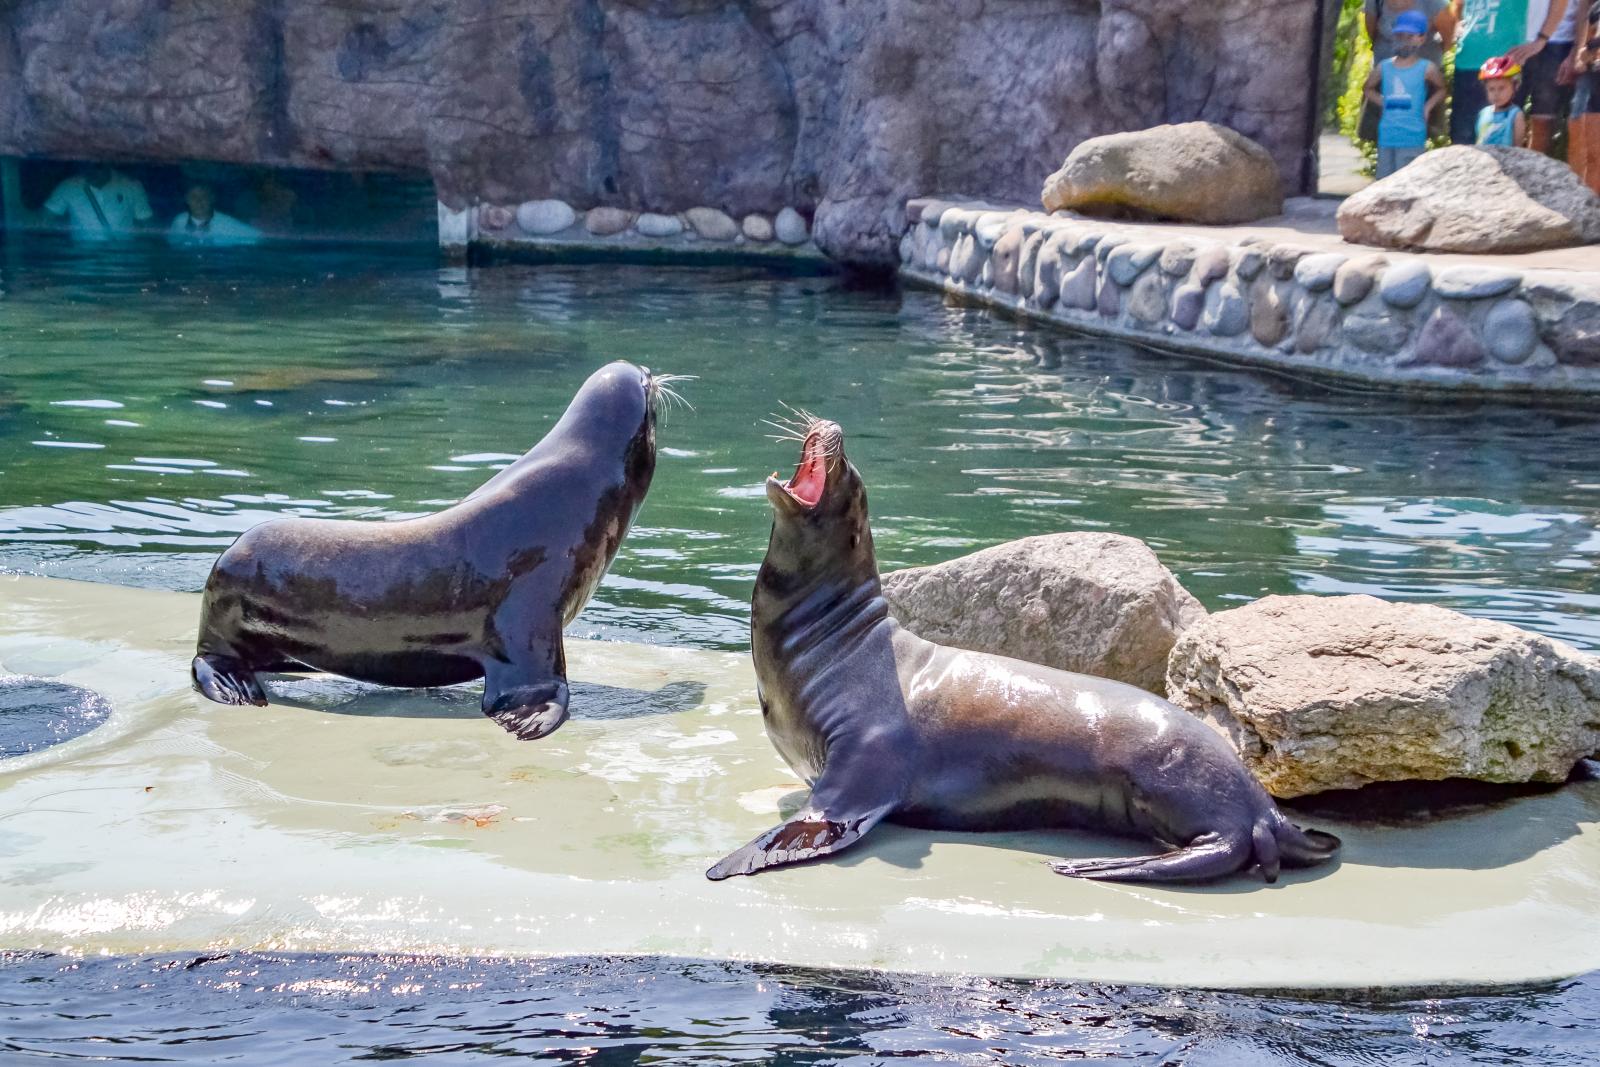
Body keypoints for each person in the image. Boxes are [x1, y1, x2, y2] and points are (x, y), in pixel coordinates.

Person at [1451, 0, 1569, 144]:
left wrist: (1542, 39)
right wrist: (1456, 23)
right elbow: (1457, 3)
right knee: (1461, 140)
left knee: (1500, 141)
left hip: (1504, 65)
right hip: (1467, 60)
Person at [1365, 10, 1449, 176]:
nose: (1404, 41)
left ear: (1422, 39)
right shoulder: (1384, 67)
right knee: (1383, 182)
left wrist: (1427, 107)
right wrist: (1383, 101)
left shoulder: (1427, 68)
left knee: (1408, 182)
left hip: (1413, 136)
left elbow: (1442, 89)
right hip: (1387, 136)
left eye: (1410, 36)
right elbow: (1367, 88)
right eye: (1400, 36)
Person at [1519, 0, 1580, 151]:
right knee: (1505, 117)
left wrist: (1575, 51)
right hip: (1517, 38)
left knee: (1543, 121)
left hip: (1557, 41)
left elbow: (1586, 7)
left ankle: (1534, 172)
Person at [41, 165, 153, 241]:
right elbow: (43, 221)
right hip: (81, 264)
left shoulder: (131, 185)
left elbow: (148, 225)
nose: (95, 164)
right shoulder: (68, 186)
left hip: (120, 264)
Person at [167, 184, 262, 246]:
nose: (199, 202)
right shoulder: (179, 221)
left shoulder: (227, 224)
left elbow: (260, 238)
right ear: (186, 200)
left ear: (212, 199)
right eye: (193, 197)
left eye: (204, 197)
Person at [1570, 0, 1600, 190]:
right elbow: (1582, 58)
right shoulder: (1596, 8)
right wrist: (1588, 51)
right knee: (1592, 155)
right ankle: (1591, 210)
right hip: (1595, 81)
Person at [1476, 55, 1531, 142]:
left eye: (1501, 88)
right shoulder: (1483, 113)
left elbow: (1518, 148)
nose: (1496, 94)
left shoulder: (1516, 115)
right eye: (1491, 89)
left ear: (1515, 86)